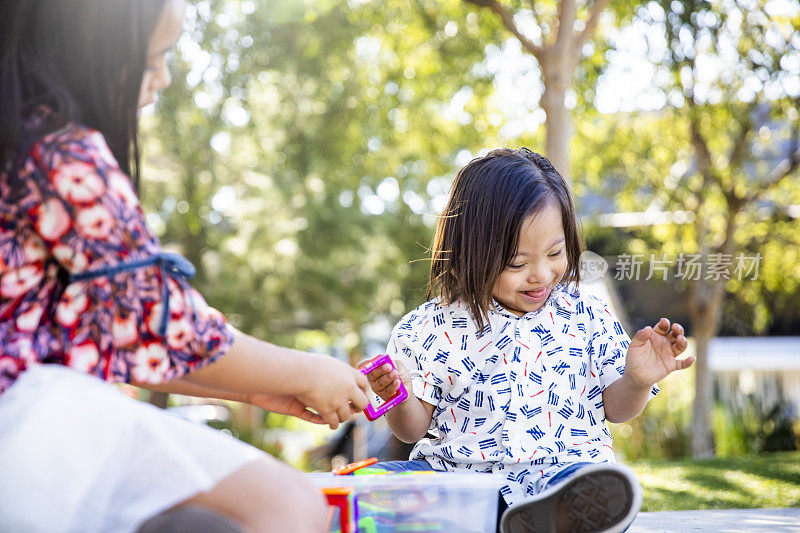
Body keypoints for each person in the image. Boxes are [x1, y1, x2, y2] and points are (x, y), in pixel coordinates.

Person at [0, 1, 370, 532]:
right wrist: (311, 371)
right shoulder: (61, 154)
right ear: (90, 51)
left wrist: (255, 390)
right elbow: (162, 326)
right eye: (154, 60)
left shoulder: (18, 143)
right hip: (25, 421)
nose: (164, 78)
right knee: (290, 504)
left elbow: (118, 340)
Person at [362, 148, 695, 533]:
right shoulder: (429, 326)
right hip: (459, 482)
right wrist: (396, 394)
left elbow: (616, 409)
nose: (541, 274)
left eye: (556, 253)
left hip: (559, 476)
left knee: (588, 483)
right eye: (517, 264)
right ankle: (502, 518)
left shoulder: (585, 313)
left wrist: (637, 380)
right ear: (473, 252)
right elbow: (411, 431)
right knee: (374, 481)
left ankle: (542, 517)